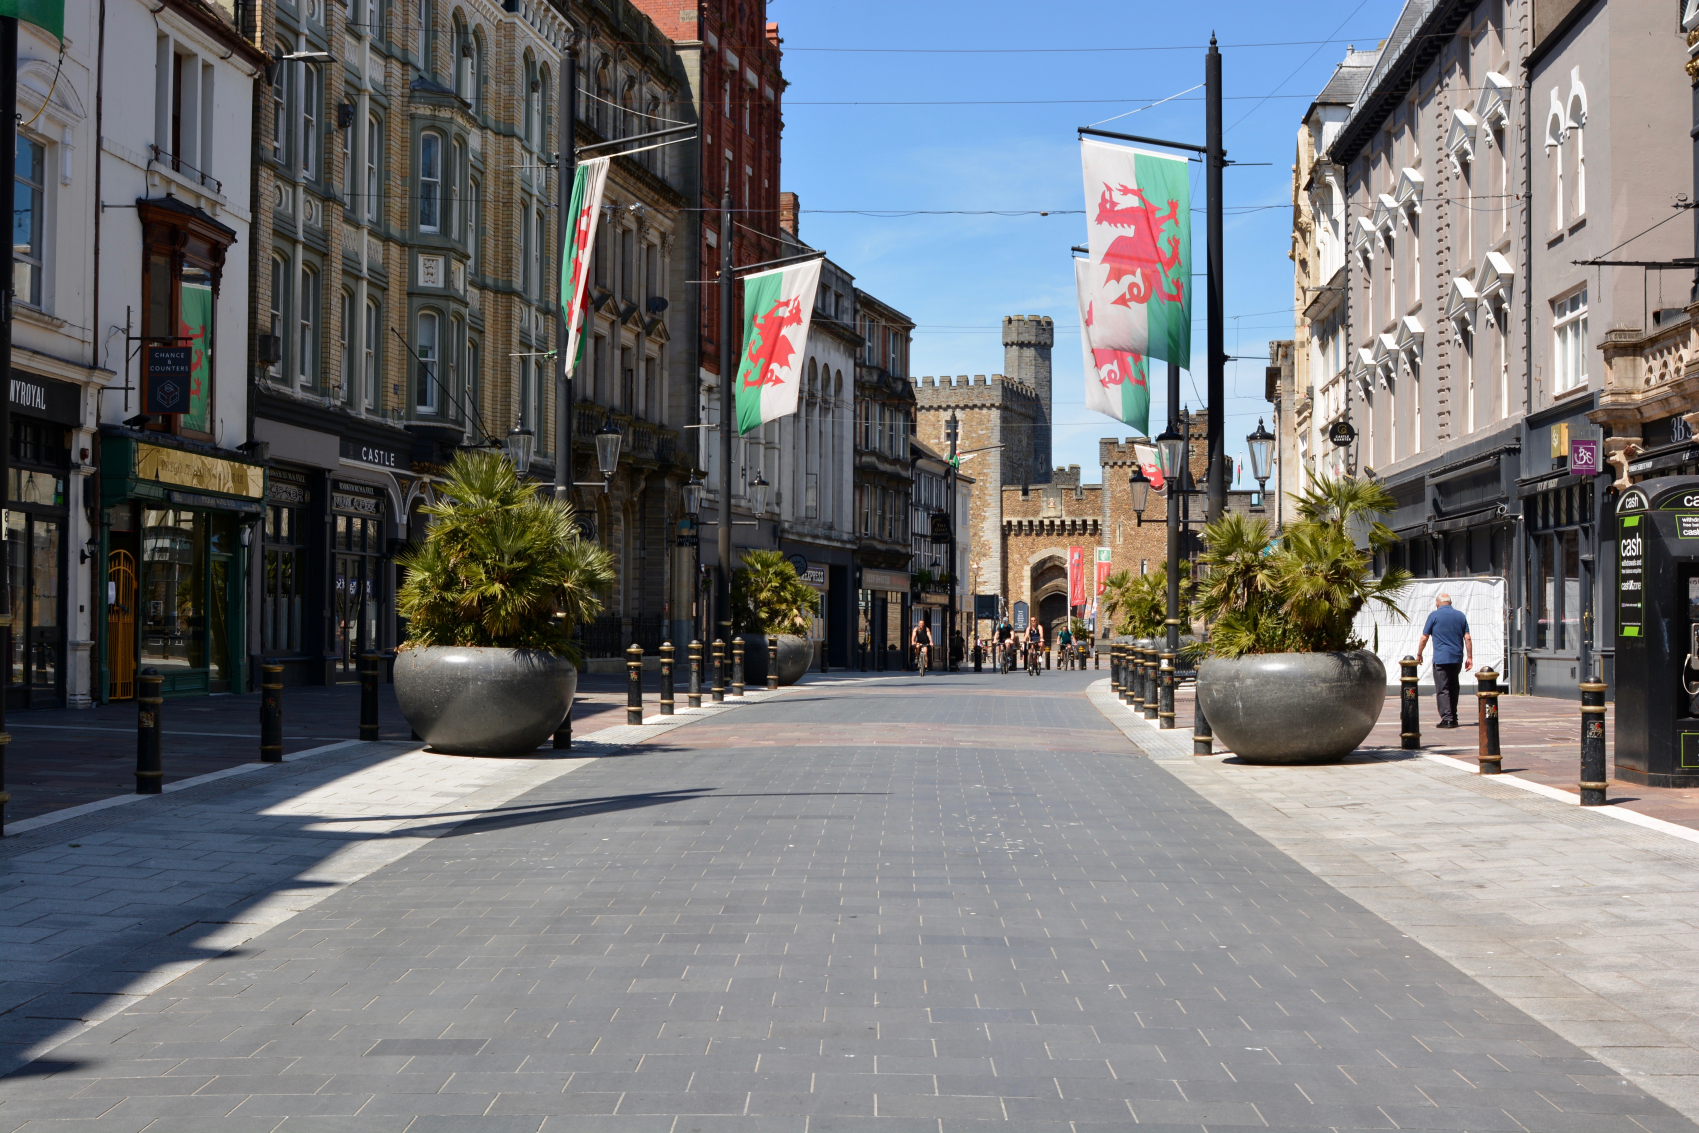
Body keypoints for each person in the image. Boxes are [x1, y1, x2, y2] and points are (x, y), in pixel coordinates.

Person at [1415, 593, 1473, 728]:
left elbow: (1424, 638)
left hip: (1441, 658)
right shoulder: (1460, 616)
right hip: (1456, 658)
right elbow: (1468, 637)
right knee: (1453, 687)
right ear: (1450, 602)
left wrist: (1419, 654)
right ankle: (1454, 716)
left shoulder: (1434, 616)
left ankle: (1447, 719)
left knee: (1442, 688)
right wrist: (1469, 657)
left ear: (1437, 603)